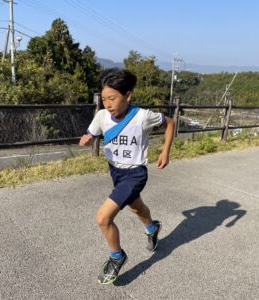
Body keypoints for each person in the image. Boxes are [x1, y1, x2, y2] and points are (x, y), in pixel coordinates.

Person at [79, 69, 175, 285]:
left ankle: (117, 256)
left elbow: (170, 122)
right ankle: (152, 227)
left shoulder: (142, 116)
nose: (107, 104)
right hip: (115, 171)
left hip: (135, 174)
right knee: (136, 207)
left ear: (128, 96)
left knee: (103, 218)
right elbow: (93, 132)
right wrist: (86, 138)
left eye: (112, 98)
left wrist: (165, 152)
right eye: (104, 99)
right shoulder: (102, 115)